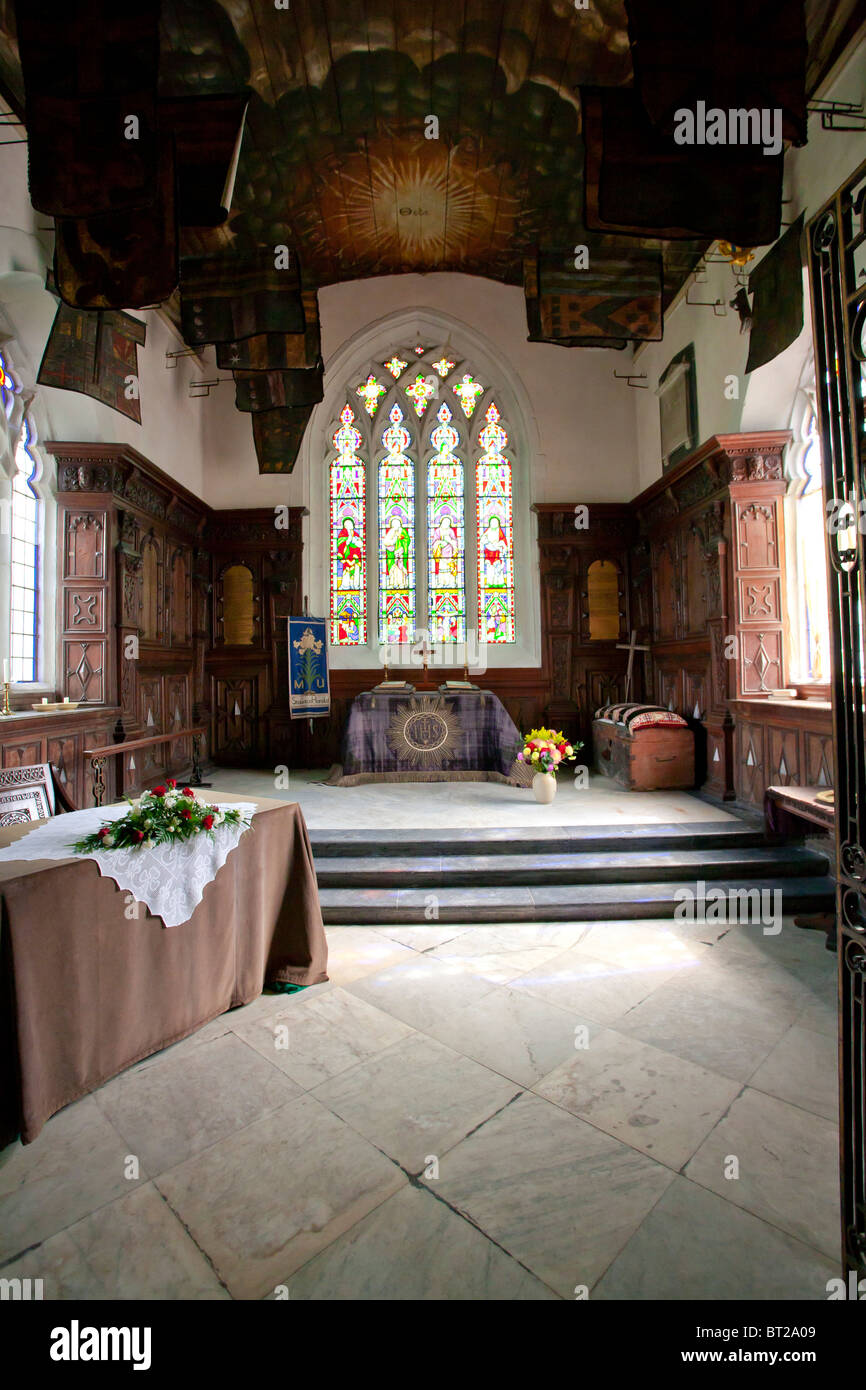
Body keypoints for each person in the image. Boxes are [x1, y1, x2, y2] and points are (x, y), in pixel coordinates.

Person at [336, 518, 363, 590]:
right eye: (347, 524)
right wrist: (349, 538)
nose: (349, 525)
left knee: (356, 571)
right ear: (344, 526)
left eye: (350, 523)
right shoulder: (342, 533)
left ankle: (355, 585)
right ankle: (346, 586)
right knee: (346, 571)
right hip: (347, 557)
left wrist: (357, 542)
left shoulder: (356, 533)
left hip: (356, 557)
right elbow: (341, 543)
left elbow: (361, 544)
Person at [481, 515, 508, 585]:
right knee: (490, 569)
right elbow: (482, 540)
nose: (494, 524)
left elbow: (503, 541)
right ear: (489, 524)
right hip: (489, 553)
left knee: (498, 569)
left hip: (497, 553)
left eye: (495, 523)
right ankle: (490, 582)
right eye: (492, 523)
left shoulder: (499, 531)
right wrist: (487, 541)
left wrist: (502, 546)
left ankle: (499, 583)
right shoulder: (488, 531)